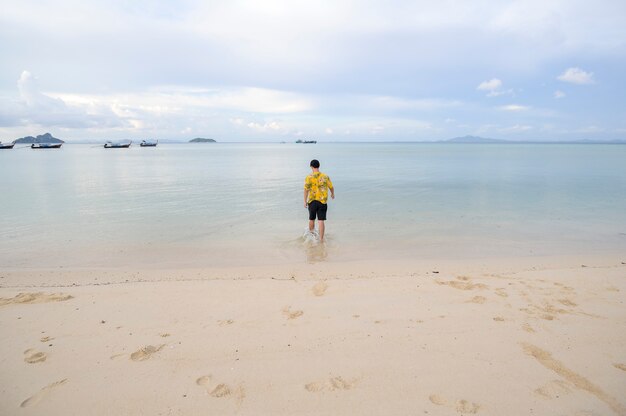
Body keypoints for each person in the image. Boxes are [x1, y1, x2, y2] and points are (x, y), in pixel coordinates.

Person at [304, 159, 334, 242]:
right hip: (322, 201)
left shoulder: (308, 177)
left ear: (311, 167)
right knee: (321, 220)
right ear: (319, 166)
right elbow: (331, 187)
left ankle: (312, 237)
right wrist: (332, 194)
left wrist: (304, 201)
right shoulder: (325, 176)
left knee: (311, 219)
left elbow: (306, 190)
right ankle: (321, 239)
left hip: (312, 201)